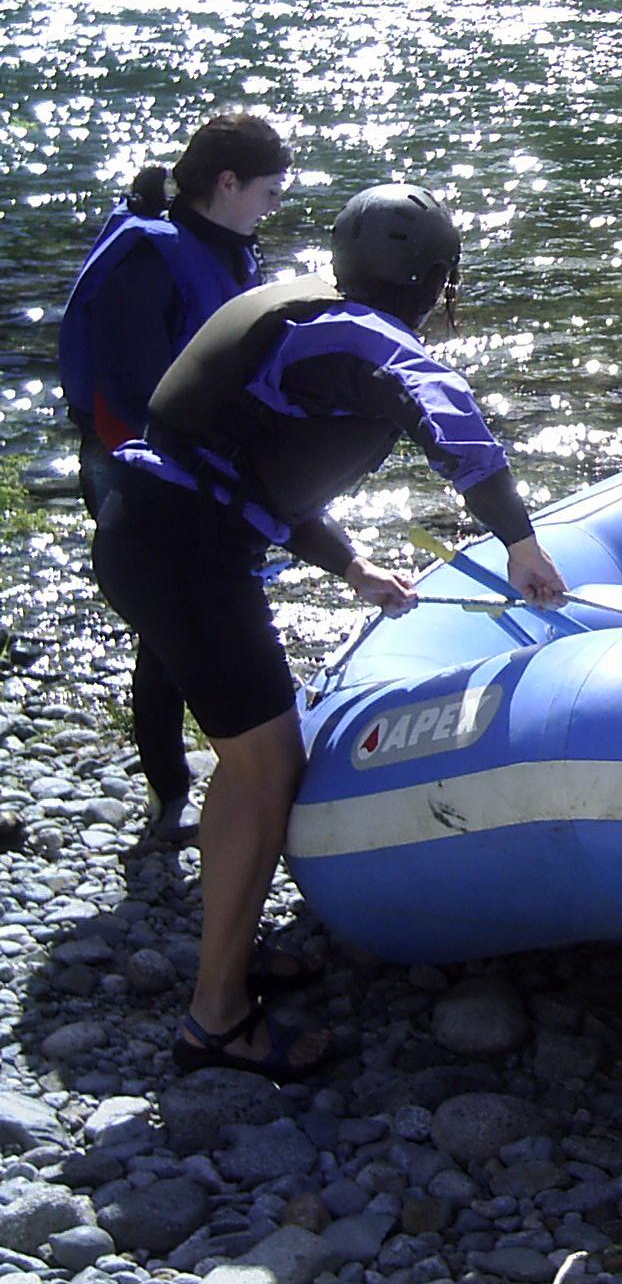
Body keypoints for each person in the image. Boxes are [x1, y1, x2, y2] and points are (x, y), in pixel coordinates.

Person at [90, 182, 566, 1082]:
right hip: (185, 558)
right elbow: (443, 410)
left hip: (153, 536)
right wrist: (519, 539)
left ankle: (231, 951)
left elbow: (241, 471)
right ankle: (218, 1018)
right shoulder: (369, 337)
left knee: (252, 758)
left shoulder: (295, 313)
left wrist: (348, 567)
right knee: (272, 767)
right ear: (432, 281)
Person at [58, 112, 291, 838]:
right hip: (136, 462)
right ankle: (170, 794)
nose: (275, 205)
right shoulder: (149, 256)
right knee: (164, 629)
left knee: (185, 622)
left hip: (199, 461)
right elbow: (133, 389)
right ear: (228, 184)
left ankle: (207, 773)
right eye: (270, 190)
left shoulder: (226, 248)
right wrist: (209, 459)